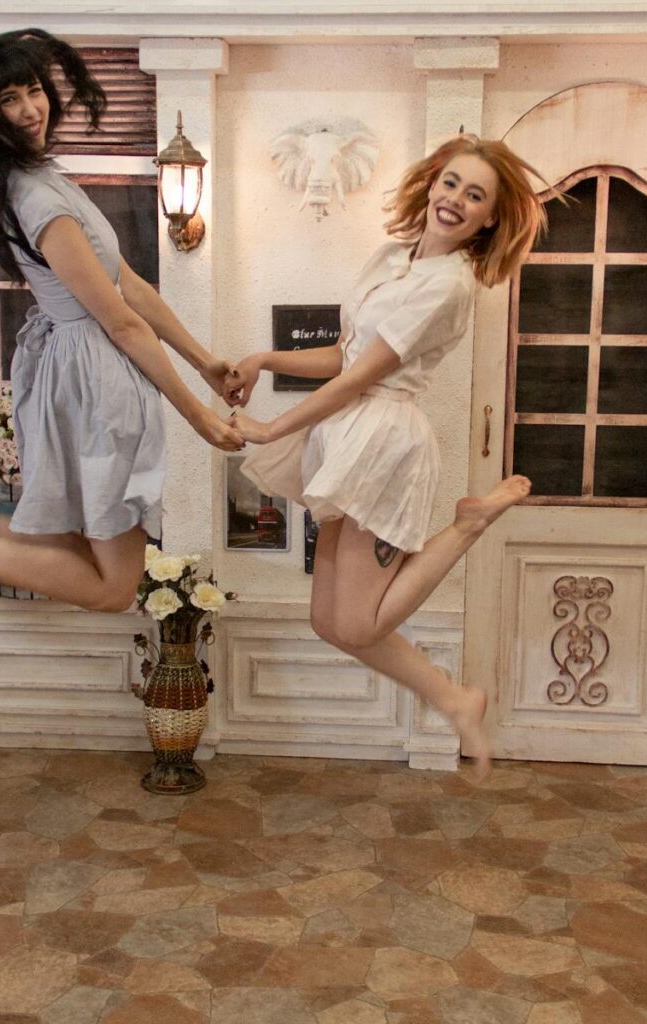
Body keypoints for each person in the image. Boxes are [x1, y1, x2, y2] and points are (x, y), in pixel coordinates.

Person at [0, 29, 243, 610]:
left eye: (32, 90)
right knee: (113, 586)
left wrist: (205, 361)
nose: (29, 109)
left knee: (73, 540)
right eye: (7, 100)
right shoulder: (36, 199)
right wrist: (198, 416)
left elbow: (129, 284)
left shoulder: (36, 181)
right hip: (95, 382)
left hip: (82, 374)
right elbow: (121, 322)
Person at [223, 136, 547, 776]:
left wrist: (270, 429)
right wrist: (263, 358)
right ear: (432, 184)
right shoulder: (393, 257)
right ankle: (456, 700)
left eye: (474, 195)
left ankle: (468, 525)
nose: (456, 199)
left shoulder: (450, 286)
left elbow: (358, 378)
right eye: (451, 183)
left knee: (361, 624)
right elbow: (342, 357)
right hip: (344, 436)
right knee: (328, 621)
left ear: (487, 221)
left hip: (382, 444)